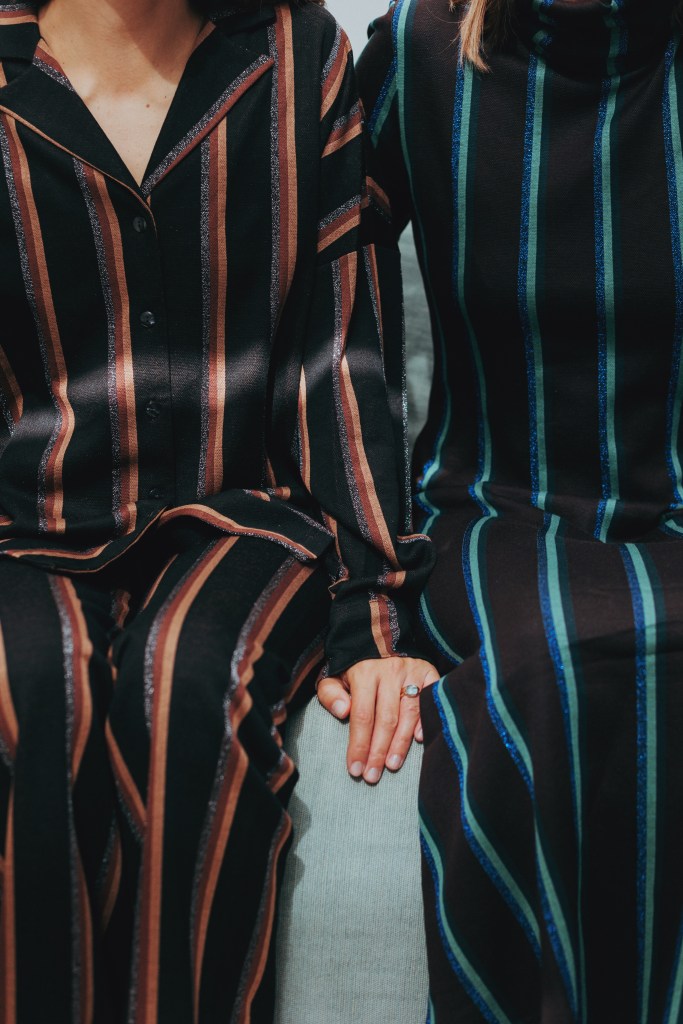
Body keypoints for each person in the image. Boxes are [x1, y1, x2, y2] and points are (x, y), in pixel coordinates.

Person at [0, 0, 438, 1020]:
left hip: (246, 519)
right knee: (31, 694)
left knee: (188, 685)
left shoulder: (299, 54)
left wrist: (372, 614)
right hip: (28, 524)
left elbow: (340, 357)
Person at [357, 0, 683, 1020]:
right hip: (497, 506)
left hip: (674, 505)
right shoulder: (419, 50)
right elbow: (319, 329)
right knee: (555, 665)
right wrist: (356, 605)